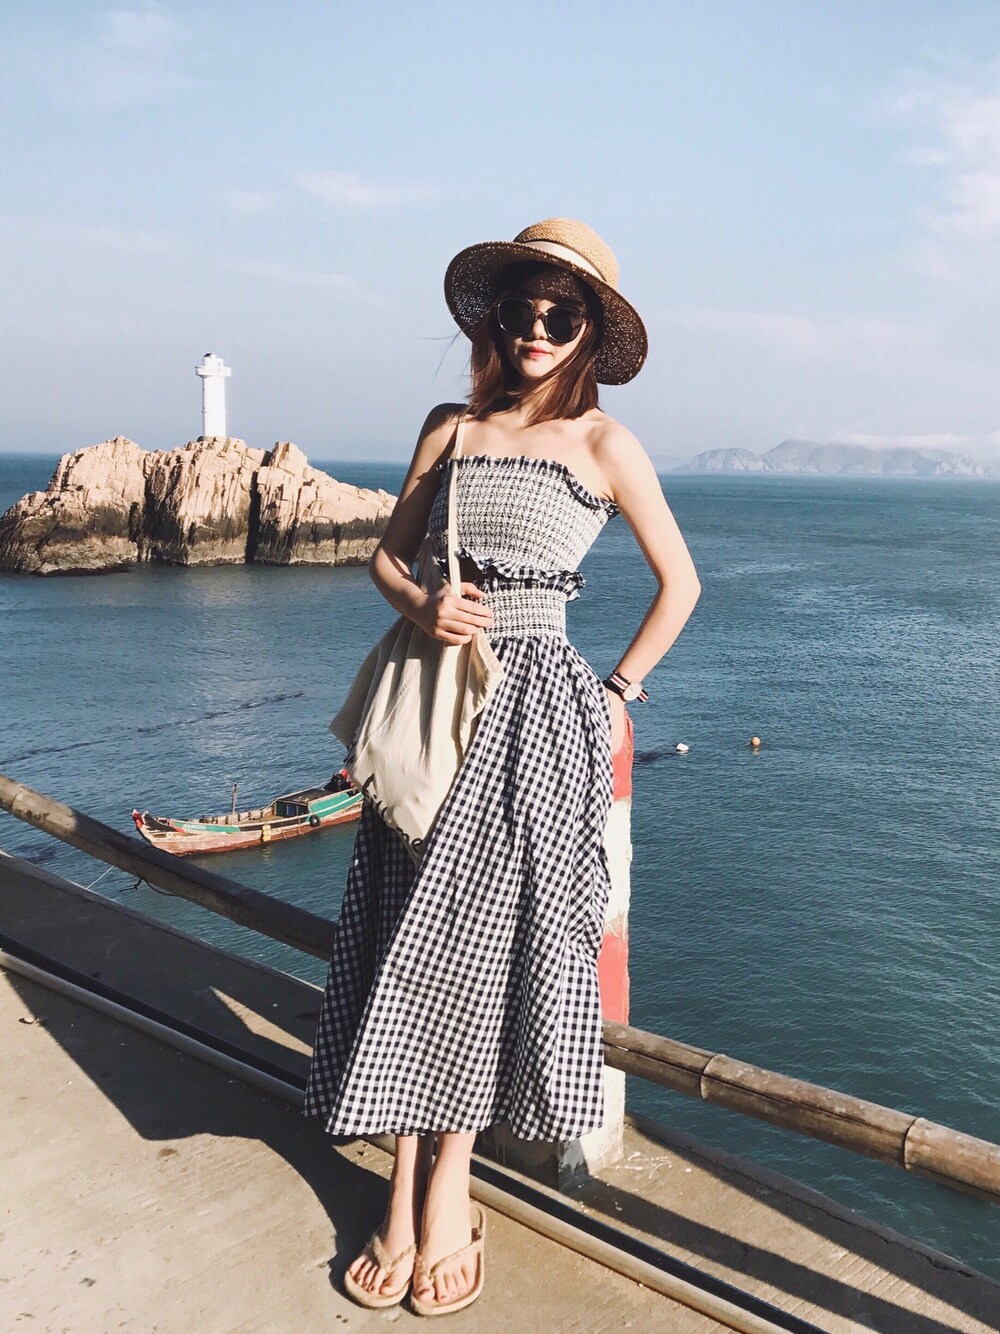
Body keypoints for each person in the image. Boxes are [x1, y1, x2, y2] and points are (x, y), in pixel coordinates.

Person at [304, 218, 701, 1315]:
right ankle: (401, 1182)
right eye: (520, 309)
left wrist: (615, 693)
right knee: (406, 931)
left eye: (560, 315)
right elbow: (387, 557)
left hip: (537, 716)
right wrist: (421, 603)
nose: (536, 328)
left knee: (485, 950)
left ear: (588, 333)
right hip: (435, 706)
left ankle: (447, 1187)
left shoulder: (605, 445)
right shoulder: (450, 427)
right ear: (494, 317)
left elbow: (680, 585)